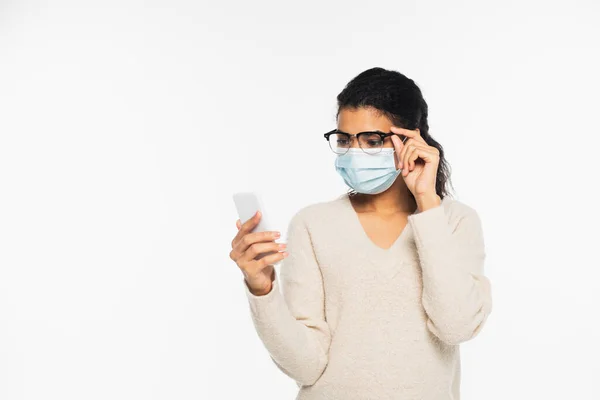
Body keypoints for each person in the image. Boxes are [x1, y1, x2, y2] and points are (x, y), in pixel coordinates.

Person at [229, 67, 492, 400]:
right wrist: (262, 287)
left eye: (371, 140)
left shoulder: (454, 222)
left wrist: (428, 204)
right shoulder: (313, 224)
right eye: (343, 139)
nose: (354, 153)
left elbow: (456, 326)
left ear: (412, 139)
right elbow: (305, 366)